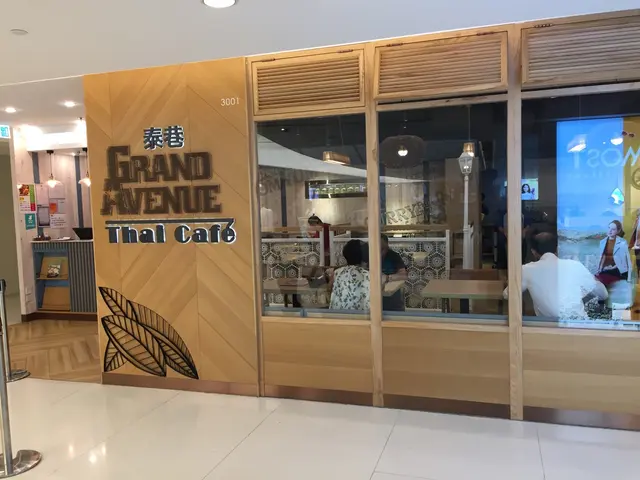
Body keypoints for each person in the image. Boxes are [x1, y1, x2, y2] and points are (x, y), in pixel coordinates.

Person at [504, 232, 607, 319]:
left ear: (533, 252)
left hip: (547, 329)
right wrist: (592, 281)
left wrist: (512, 281)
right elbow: (603, 294)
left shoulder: (526, 270)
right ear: (557, 249)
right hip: (579, 327)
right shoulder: (575, 265)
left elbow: (508, 294)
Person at [329, 240, 370, 311]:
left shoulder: (337, 272)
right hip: (361, 315)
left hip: (337, 314)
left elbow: (330, 288)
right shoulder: (367, 275)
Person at [596, 220, 632, 285]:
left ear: (618, 231)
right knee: (595, 279)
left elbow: (627, 261)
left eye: (613, 229)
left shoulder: (622, 243)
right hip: (607, 270)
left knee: (602, 279)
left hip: (619, 271)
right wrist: (600, 269)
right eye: (609, 228)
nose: (610, 231)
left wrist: (629, 279)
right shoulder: (602, 242)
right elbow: (603, 257)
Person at [381, 234, 408, 311]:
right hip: (372, 302)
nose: (380, 252)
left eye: (382, 249)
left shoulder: (393, 256)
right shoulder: (368, 257)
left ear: (387, 247)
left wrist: (387, 277)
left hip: (393, 303)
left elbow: (404, 275)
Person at [628, 209, 640, 277]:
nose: (637, 217)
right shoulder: (637, 222)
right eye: (637, 216)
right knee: (638, 261)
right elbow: (634, 232)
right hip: (637, 246)